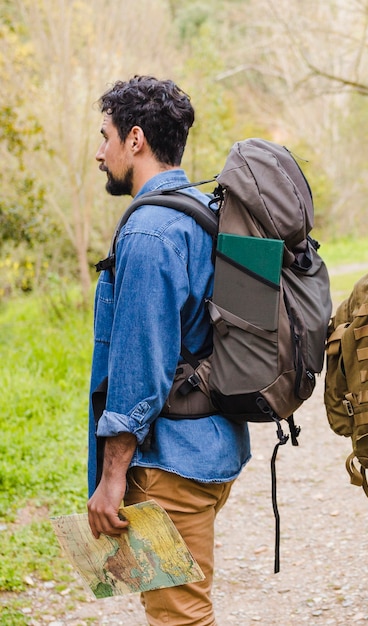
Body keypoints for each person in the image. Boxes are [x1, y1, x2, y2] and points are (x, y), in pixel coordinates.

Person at [87, 75, 251, 625]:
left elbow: (139, 368)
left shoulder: (149, 231)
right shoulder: (205, 210)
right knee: (178, 605)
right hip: (211, 448)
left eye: (105, 136)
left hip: (169, 467)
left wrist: (112, 480)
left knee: (179, 616)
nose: (99, 152)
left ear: (136, 140)